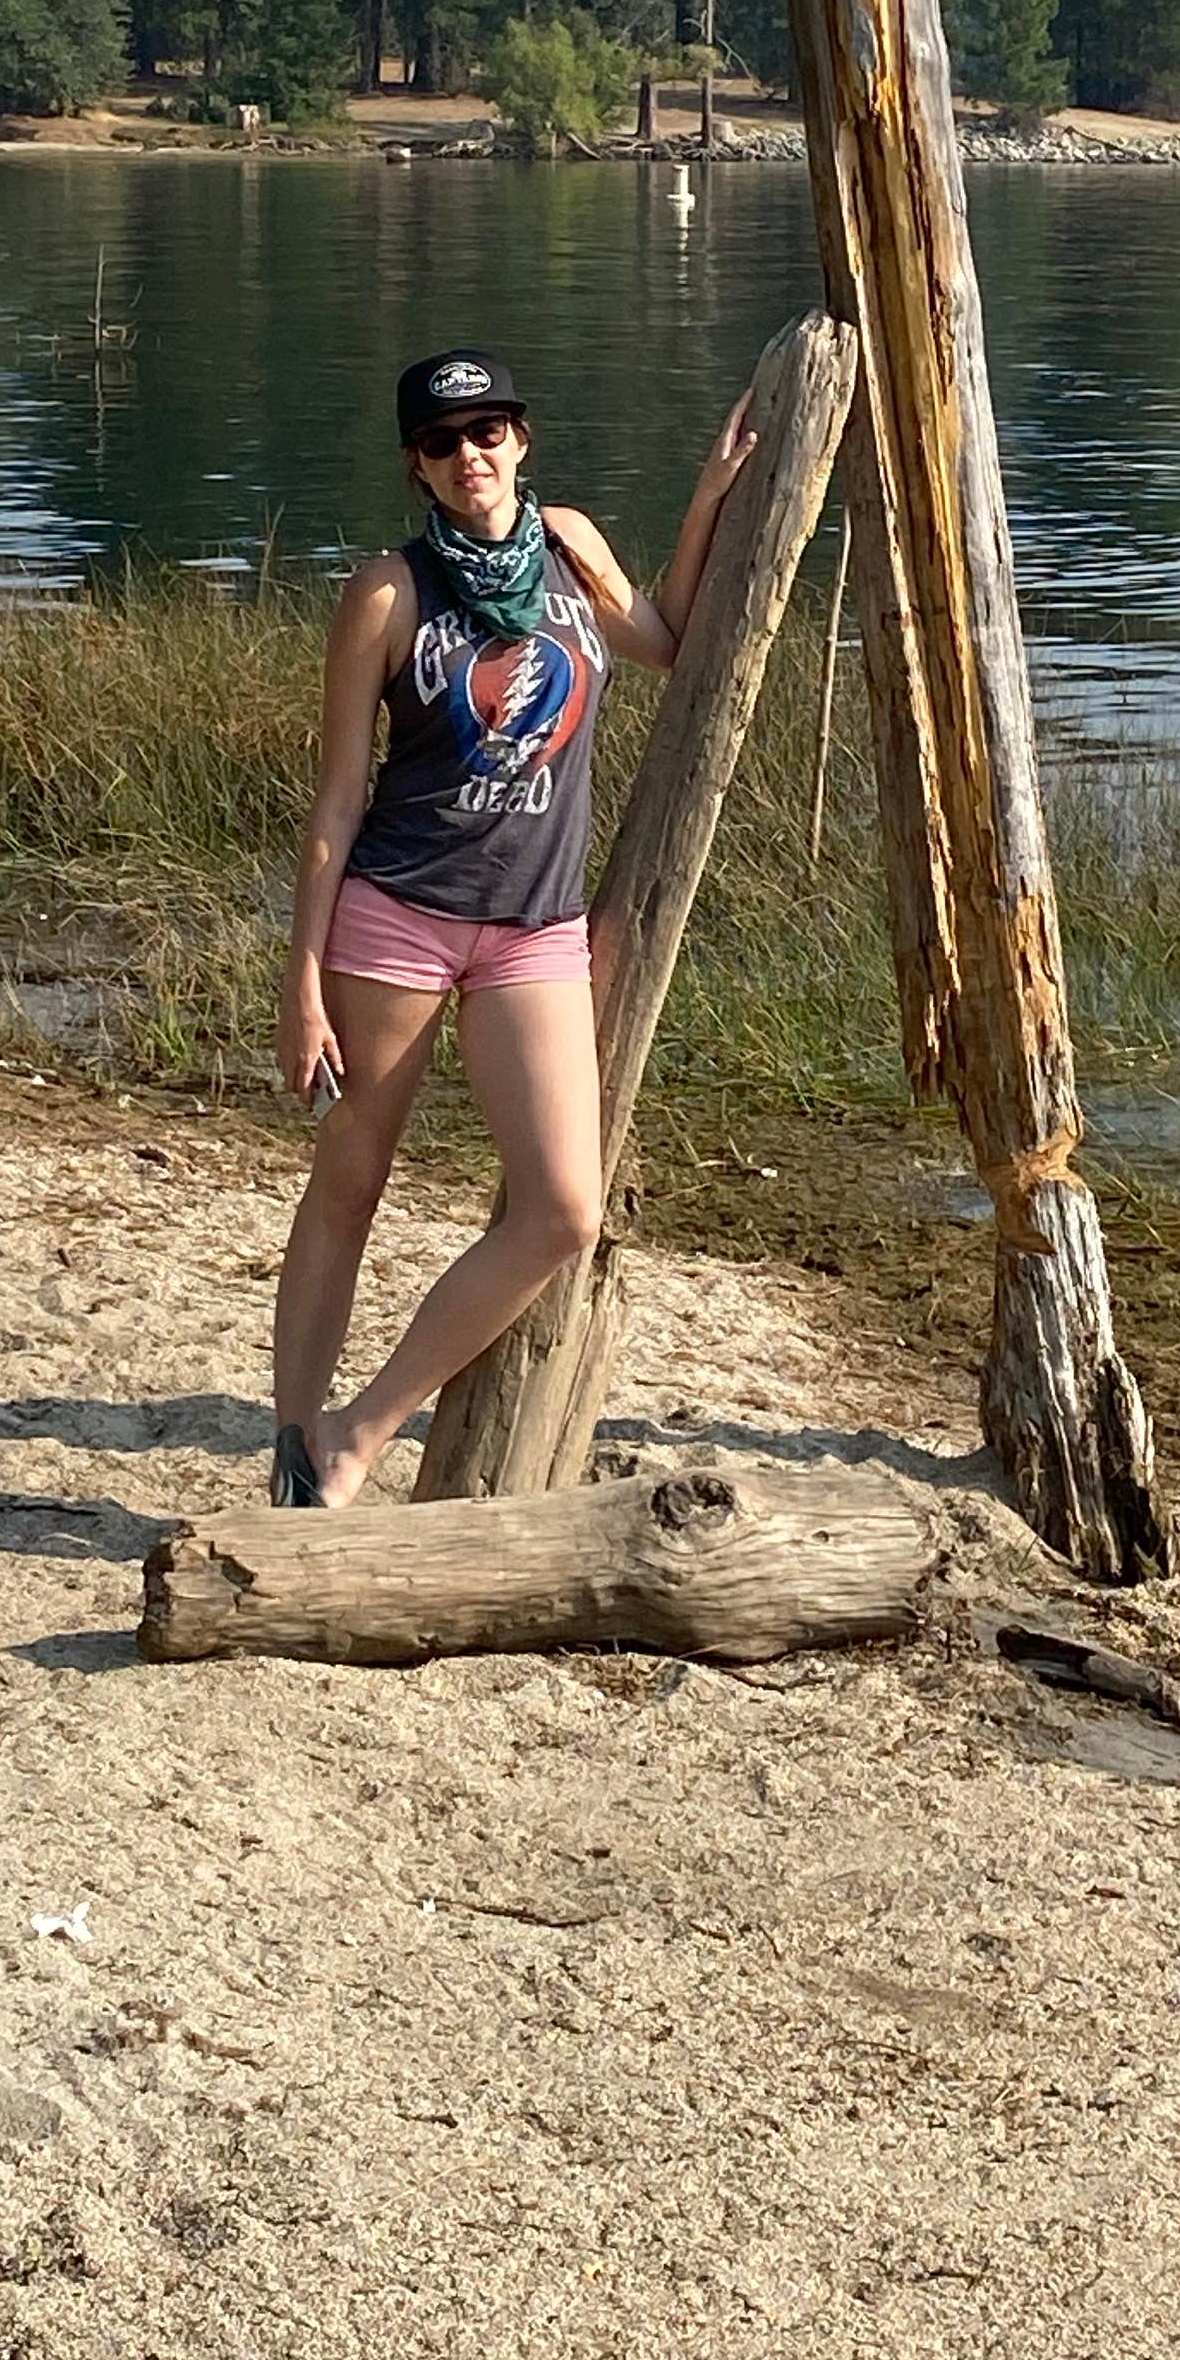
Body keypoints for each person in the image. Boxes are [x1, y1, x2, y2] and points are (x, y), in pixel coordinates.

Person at [268, 343, 757, 1508]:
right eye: (442, 442)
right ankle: (292, 1450)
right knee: (351, 1181)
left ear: (520, 441)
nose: (469, 456)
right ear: (417, 465)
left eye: (487, 432)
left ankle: (358, 1431)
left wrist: (705, 502)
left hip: (536, 930)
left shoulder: (572, 545)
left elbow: (665, 641)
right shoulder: (385, 593)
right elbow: (338, 800)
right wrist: (301, 981)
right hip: (395, 918)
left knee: (564, 1210)